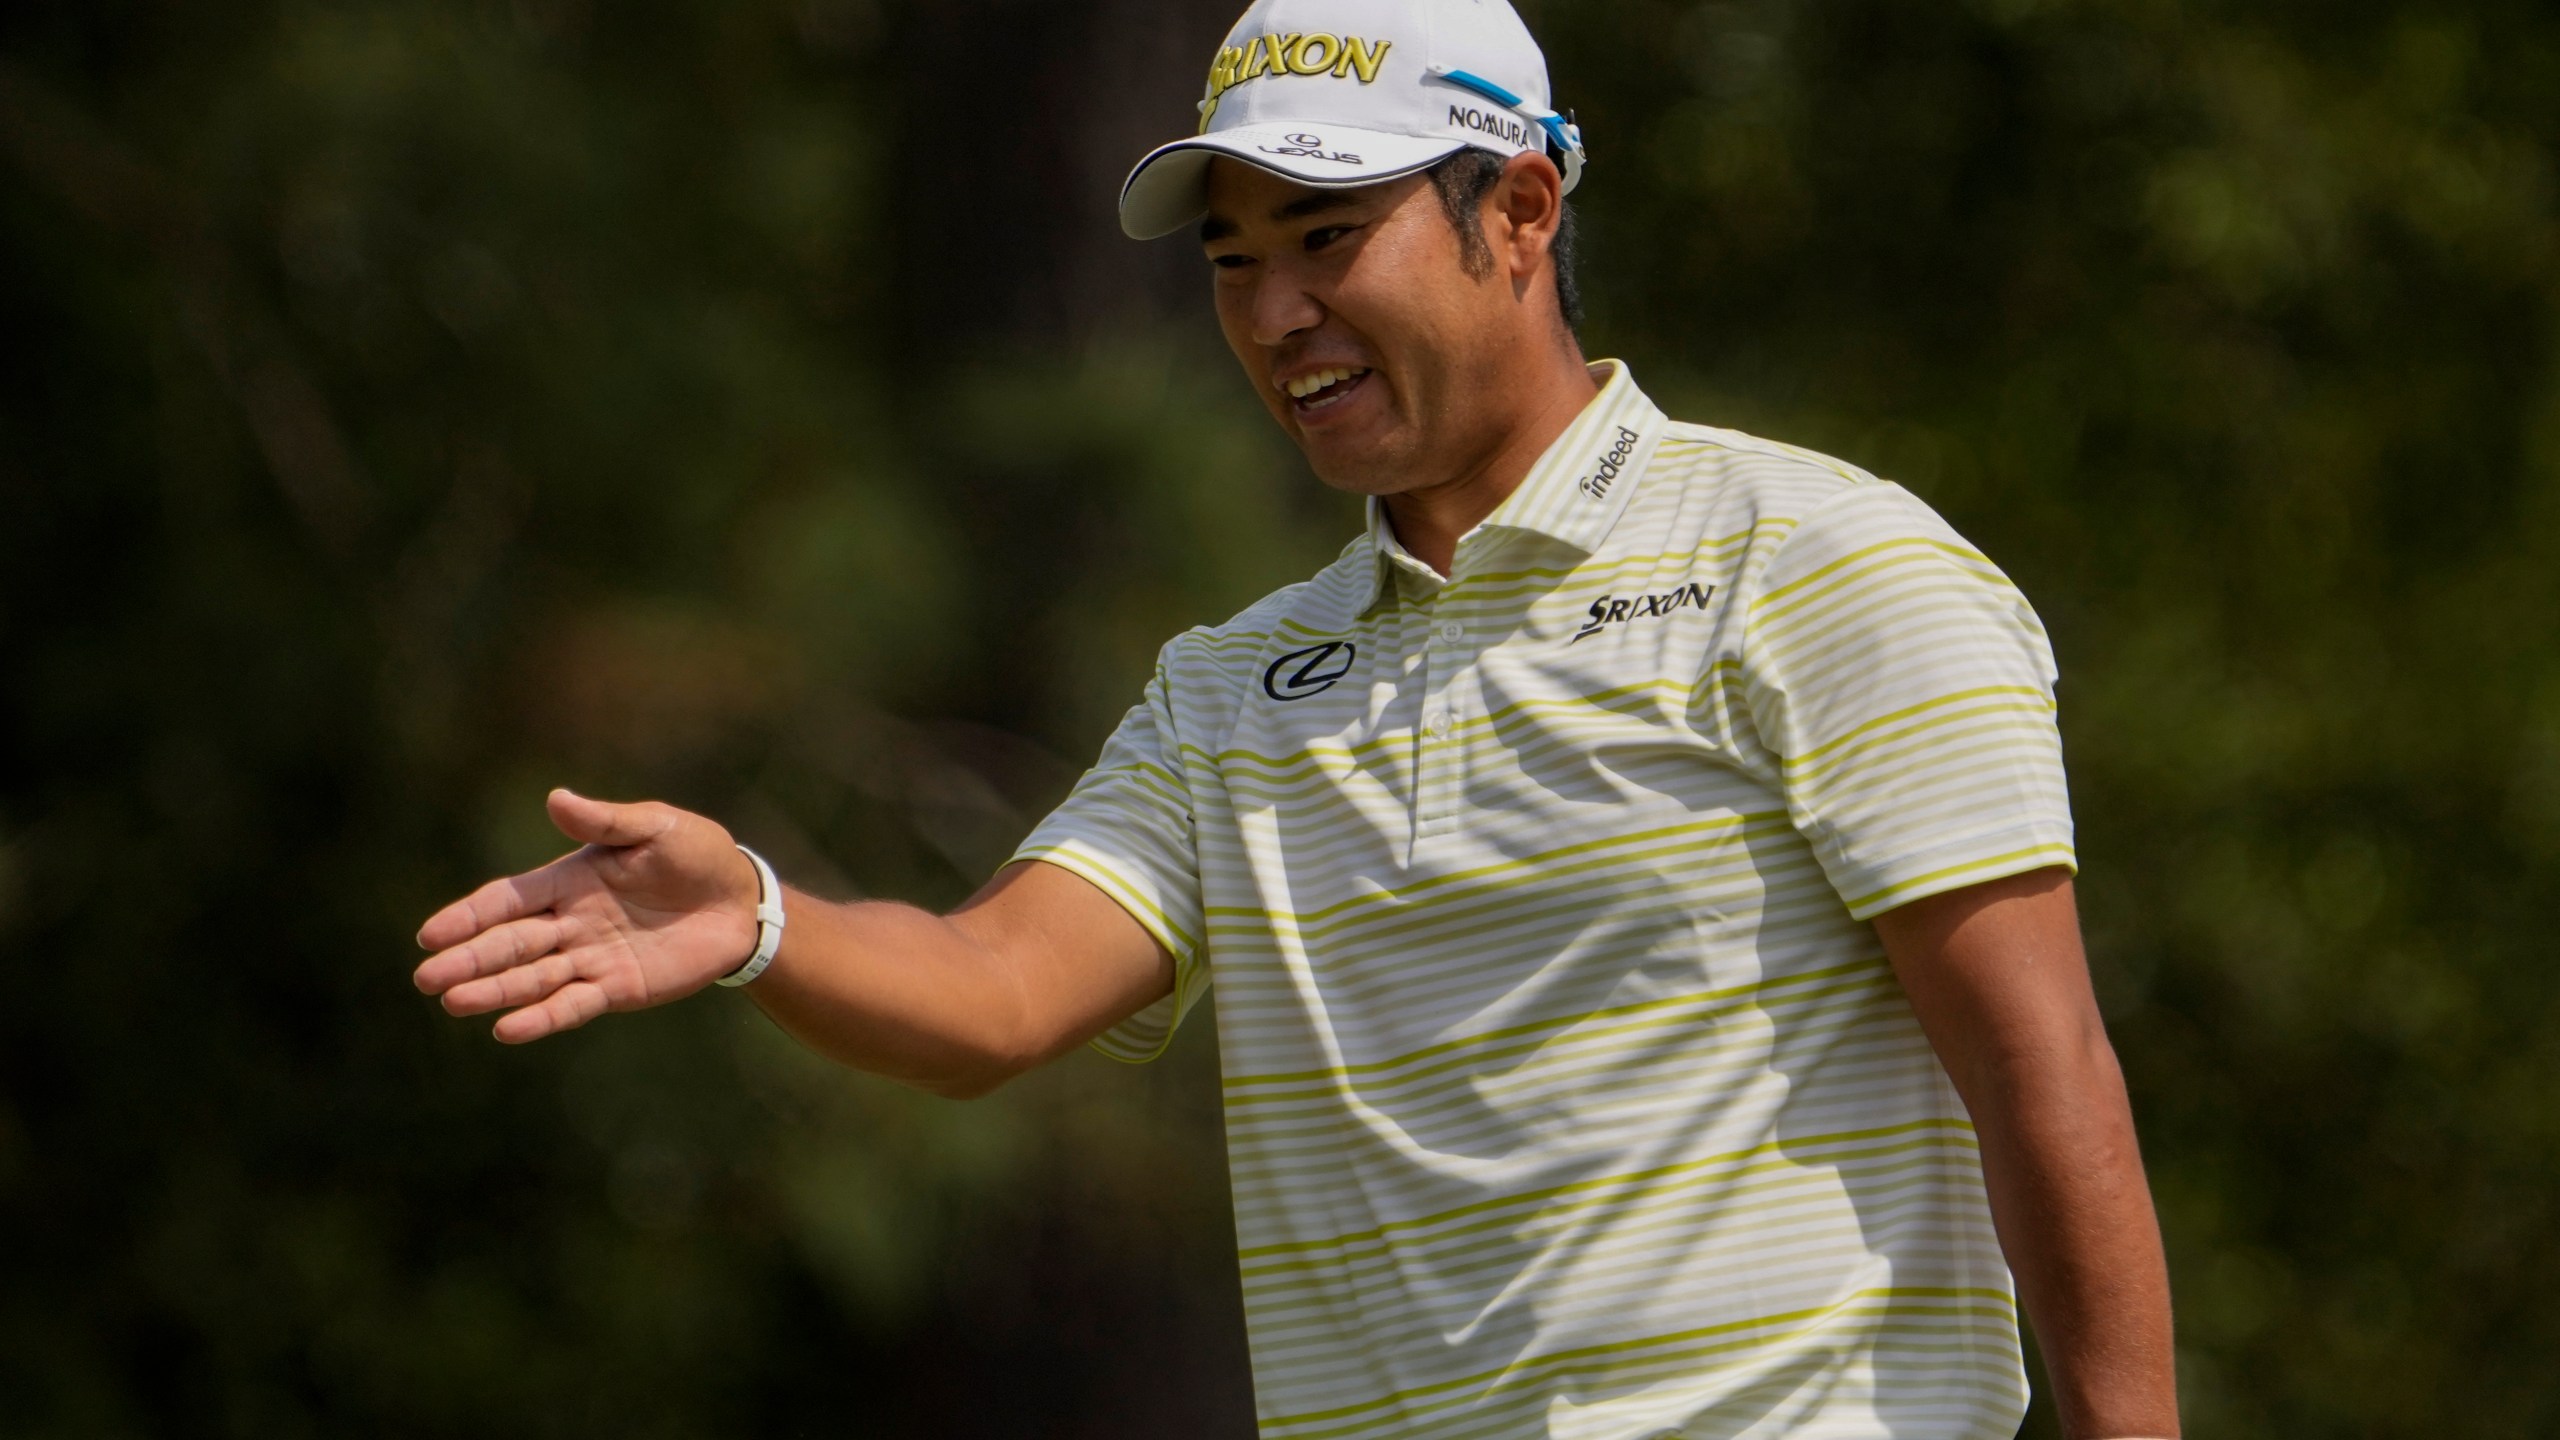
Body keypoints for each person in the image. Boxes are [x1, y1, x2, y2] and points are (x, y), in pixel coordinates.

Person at [412, 0, 2180, 1434]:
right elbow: (996, 991)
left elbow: (2042, 1069)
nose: (1274, 314)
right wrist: (764, 926)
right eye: (1232, 261)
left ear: (1522, 214)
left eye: (1329, 235)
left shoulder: (1816, 562)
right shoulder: (1236, 684)